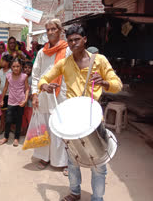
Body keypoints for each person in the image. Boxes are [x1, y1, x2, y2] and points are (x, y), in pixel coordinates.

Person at [38, 25, 122, 201]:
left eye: (77, 39)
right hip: (71, 120)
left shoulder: (99, 60)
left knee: (99, 164)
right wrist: (45, 86)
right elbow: (43, 79)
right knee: (73, 160)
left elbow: (117, 84)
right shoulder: (64, 63)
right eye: (70, 40)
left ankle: (97, 198)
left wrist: (106, 83)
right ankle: (75, 192)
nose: (73, 43)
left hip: (93, 119)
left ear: (85, 40)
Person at [31, 19, 70, 174]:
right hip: (43, 95)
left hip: (62, 94)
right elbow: (35, 75)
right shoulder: (42, 52)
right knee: (44, 126)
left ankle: (64, 161)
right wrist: (35, 94)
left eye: (53, 29)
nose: (50, 32)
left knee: (61, 127)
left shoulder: (68, 51)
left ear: (60, 30)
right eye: (48, 30)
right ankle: (44, 157)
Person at [0, 58, 29, 147]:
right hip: (11, 101)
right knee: (8, 120)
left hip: (21, 102)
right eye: (14, 66)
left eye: (18, 66)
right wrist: (1, 99)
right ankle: (6, 137)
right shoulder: (8, 76)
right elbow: (5, 88)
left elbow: (27, 88)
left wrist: (25, 100)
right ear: (11, 67)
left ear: (21, 67)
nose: (16, 68)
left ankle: (16, 138)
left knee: (19, 120)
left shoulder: (24, 76)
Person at [0, 54, 12, 133]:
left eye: (3, 60)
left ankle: (9, 127)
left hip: (9, 94)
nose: (2, 62)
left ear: (8, 62)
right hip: (2, 94)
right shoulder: (0, 71)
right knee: (2, 112)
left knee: (9, 112)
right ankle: (2, 126)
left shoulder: (11, 71)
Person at [21, 61, 33, 135]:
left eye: (29, 68)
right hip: (23, 99)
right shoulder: (22, 77)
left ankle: (30, 131)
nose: (27, 69)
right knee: (23, 115)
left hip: (30, 100)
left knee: (30, 115)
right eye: (25, 67)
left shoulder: (33, 78)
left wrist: (34, 95)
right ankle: (24, 130)